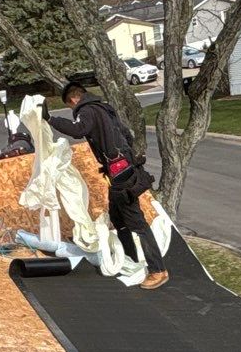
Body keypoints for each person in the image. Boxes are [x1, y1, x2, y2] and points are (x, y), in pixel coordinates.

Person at [43, 82, 169, 290]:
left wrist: (50, 119)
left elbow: (78, 130)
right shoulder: (104, 108)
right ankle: (129, 260)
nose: (73, 109)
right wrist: (119, 159)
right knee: (118, 218)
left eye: (70, 106)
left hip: (121, 174)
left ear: (73, 99)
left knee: (137, 223)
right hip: (121, 170)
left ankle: (158, 270)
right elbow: (126, 135)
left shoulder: (87, 110)